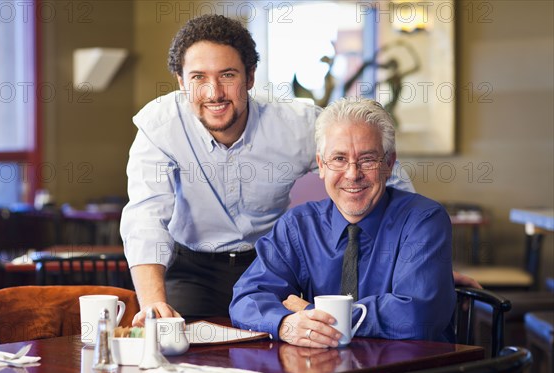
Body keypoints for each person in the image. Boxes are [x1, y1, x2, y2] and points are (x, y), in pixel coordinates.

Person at [120, 14, 477, 325]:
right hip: (193, 269)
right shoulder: (159, 126)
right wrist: (152, 302)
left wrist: (420, 262)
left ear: (250, 77)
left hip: (271, 269)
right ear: (181, 82)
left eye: (227, 75)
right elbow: (146, 217)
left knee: (286, 360)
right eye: (198, 77)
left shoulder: (294, 123)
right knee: (188, 365)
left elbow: (381, 170)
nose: (214, 92)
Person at [230, 97, 456, 347]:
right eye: (339, 159)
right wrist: (284, 323)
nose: (352, 174)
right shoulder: (299, 226)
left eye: (367, 159)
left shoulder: (423, 220)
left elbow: (417, 315)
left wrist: (312, 311)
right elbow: (246, 299)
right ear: (321, 165)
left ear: (389, 164)